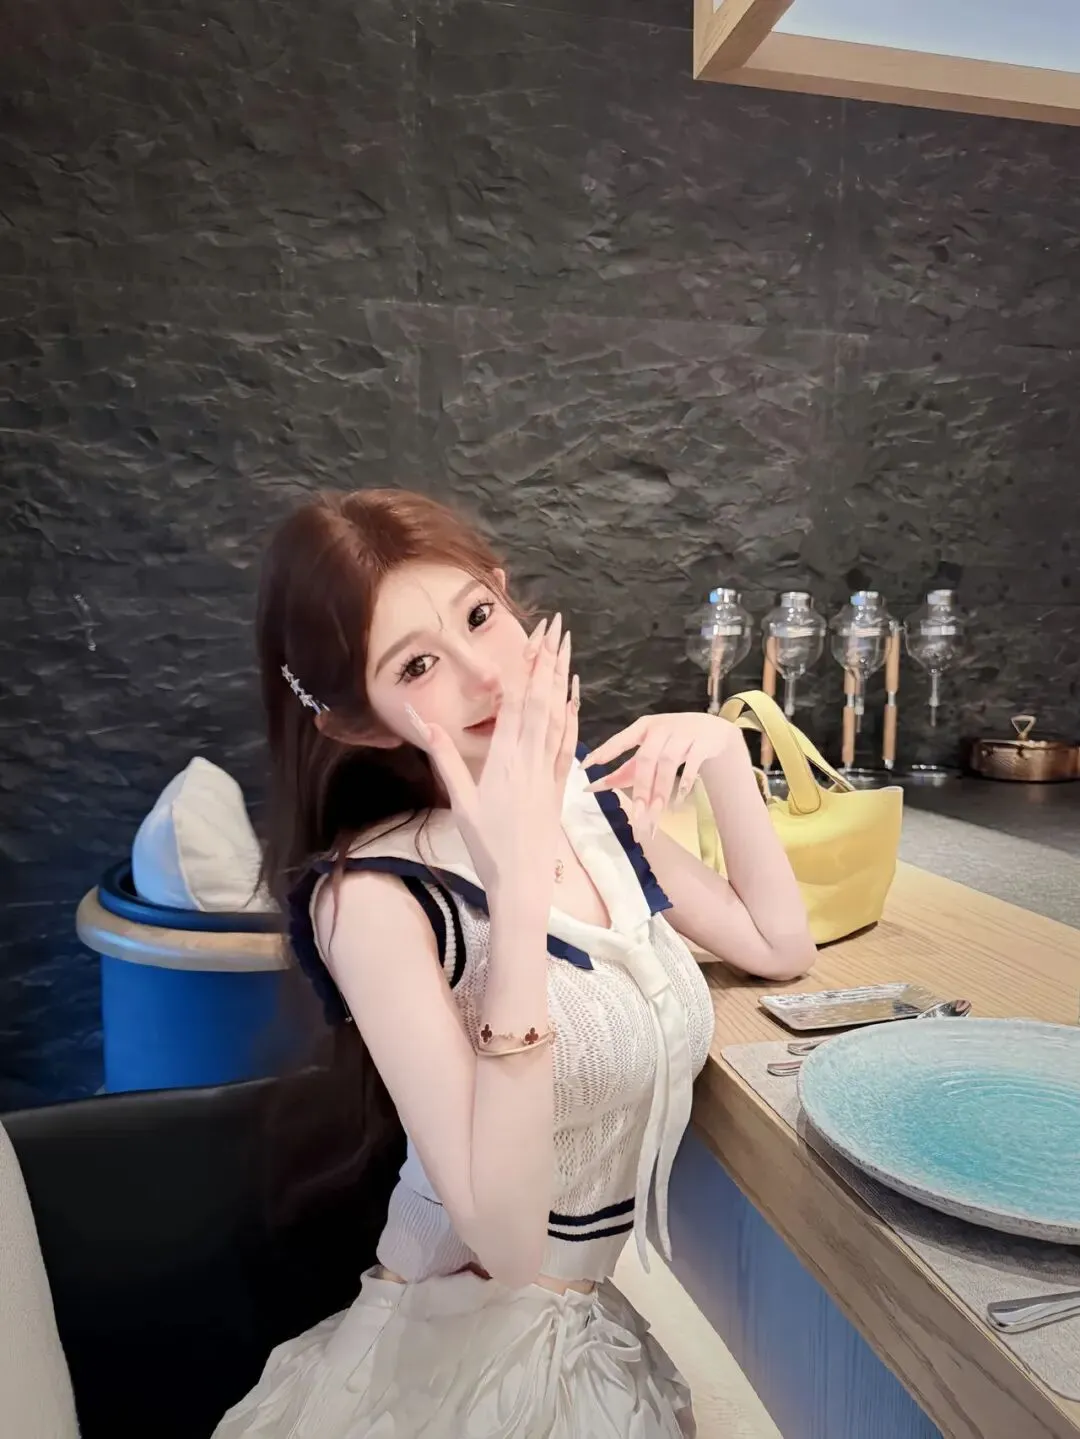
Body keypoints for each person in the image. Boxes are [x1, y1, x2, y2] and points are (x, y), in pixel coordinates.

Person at [213, 489, 816, 1439]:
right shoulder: (372, 896)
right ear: (362, 723)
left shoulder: (579, 800)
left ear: (506, 594)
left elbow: (778, 944)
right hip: (452, 1364)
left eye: (479, 617)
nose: (485, 674)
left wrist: (723, 750)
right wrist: (518, 892)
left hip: (578, 1338)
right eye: (416, 665)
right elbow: (503, 1239)